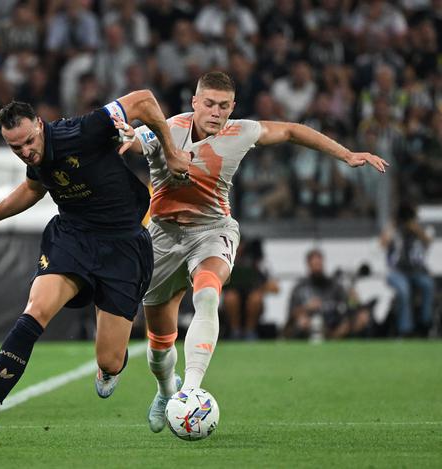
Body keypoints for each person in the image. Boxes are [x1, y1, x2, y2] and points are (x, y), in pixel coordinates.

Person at [116, 70, 388, 433]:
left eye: (224, 106)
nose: (216, 112)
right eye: (209, 103)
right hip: (162, 237)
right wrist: (126, 135)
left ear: (233, 107)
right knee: (160, 343)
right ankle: (168, 391)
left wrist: (346, 154)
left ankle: (192, 391)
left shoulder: (241, 131)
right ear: (195, 102)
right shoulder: (168, 129)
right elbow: (136, 140)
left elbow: (291, 130)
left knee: (208, 293)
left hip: (212, 231)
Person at [0, 90, 189, 445]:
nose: (26, 151)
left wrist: (170, 150)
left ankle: (114, 371)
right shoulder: (35, 155)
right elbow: (32, 189)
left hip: (123, 246)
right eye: (16, 148)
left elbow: (145, 100)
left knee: (109, 360)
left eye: (29, 141)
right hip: (72, 238)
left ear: (40, 126)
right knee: (36, 310)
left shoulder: (82, 130)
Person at [283, 249, 372, 340]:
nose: (317, 267)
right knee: (303, 322)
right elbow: (291, 313)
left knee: (362, 318)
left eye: (319, 264)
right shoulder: (300, 288)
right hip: (312, 326)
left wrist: (353, 300)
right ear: (308, 265)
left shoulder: (334, 286)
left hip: (335, 326)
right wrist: (307, 307)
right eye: (314, 265)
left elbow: (349, 306)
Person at [380, 202, 435, 336]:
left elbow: (428, 242)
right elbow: (382, 243)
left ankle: (426, 323)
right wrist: (392, 225)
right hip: (396, 272)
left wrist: (415, 228)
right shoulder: (394, 229)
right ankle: (406, 330)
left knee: (428, 284)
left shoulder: (419, 229)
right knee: (404, 289)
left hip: (417, 271)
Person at [221, 238, 279, 340]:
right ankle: (235, 332)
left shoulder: (257, 263)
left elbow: (275, 288)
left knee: (255, 298)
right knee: (231, 297)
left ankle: (250, 332)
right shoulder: (225, 261)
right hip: (231, 306)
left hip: (253, 306)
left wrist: (260, 289)